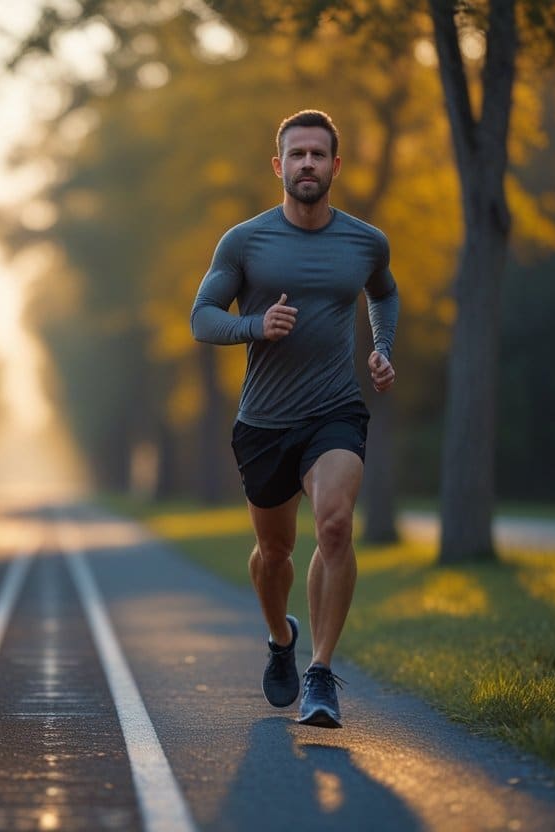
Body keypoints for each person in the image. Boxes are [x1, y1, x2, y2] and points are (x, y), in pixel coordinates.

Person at [190, 109, 398, 728]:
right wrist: (256, 325)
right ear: (278, 165)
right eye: (297, 154)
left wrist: (382, 347)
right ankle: (281, 637)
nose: (308, 163)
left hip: (335, 410)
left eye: (318, 154)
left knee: (334, 526)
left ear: (336, 165)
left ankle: (321, 672)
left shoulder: (366, 242)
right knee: (273, 552)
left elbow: (384, 292)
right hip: (264, 422)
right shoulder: (245, 241)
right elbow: (202, 317)